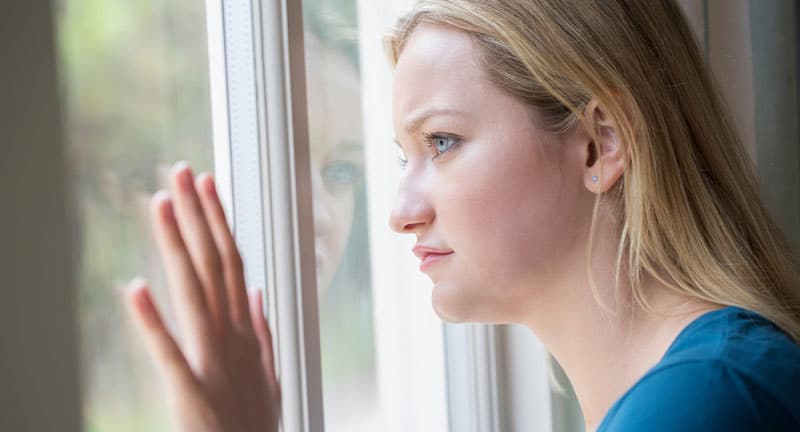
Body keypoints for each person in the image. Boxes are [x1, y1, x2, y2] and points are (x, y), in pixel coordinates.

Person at [124, 1, 800, 431]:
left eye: (441, 142)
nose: (399, 213)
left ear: (600, 142)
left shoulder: (706, 401)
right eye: (400, 158)